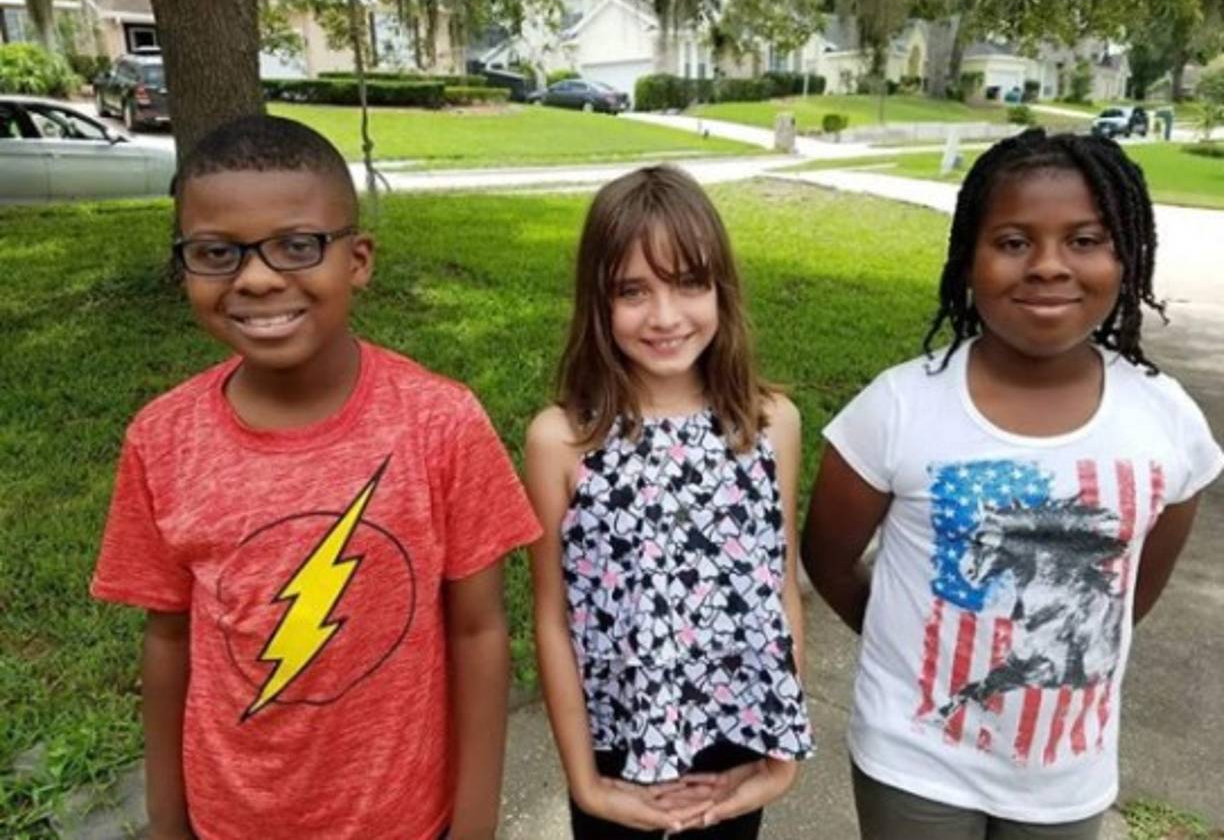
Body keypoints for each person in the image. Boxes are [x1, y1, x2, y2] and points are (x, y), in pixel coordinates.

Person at [91, 115, 539, 840]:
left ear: (358, 258)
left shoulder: (442, 422)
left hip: (403, 819)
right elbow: (167, 639)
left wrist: (476, 822)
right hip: (229, 818)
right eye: (216, 252)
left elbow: (480, 628)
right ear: (185, 266)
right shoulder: (161, 438)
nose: (259, 278)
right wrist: (168, 822)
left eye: (298, 245)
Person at [802, 128, 1223, 840]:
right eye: (1014, 242)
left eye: (1085, 240)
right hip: (914, 757)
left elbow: (1135, 588)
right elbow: (827, 557)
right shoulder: (900, 406)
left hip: (1066, 769)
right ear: (969, 259)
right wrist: (911, 648)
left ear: (1127, 254)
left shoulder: (1165, 420)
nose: (1049, 266)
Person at [525, 166, 813, 839]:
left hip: (736, 745)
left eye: (689, 283)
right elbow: (552, 619)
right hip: (619, 753)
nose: (664, 316)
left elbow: (782, 589)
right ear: (598, 302)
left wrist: (782, 754)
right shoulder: (562, 440)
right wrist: (587, 785)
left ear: (722, 288)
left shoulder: (770, 424)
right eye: (633, 290)